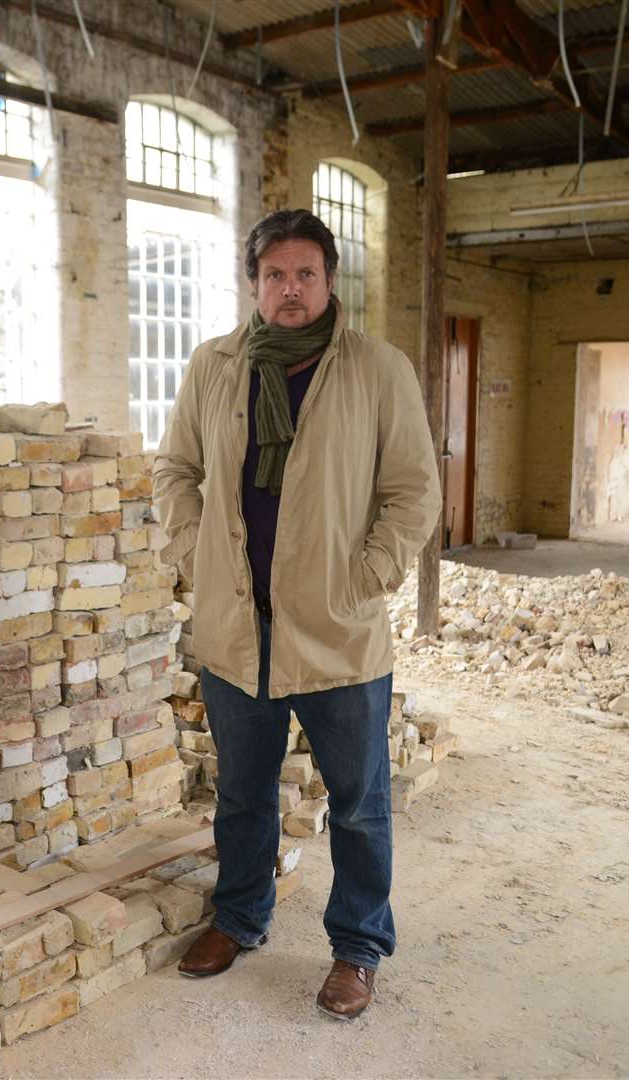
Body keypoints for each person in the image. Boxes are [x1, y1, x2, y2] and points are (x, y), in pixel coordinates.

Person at [151, 208, 441, 1020]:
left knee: (356, 801)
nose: (290, 290)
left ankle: (357, 947)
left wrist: (371, 574)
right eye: (274, 275)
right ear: (253, 284)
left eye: (305, 274)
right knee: (242, 792)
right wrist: (191, 554)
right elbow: (175, 470)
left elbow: (413, 490)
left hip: (336, 629)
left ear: (329, 281)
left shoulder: (377, 370)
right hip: (238, 627)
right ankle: (240, 918)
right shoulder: (215, 367)